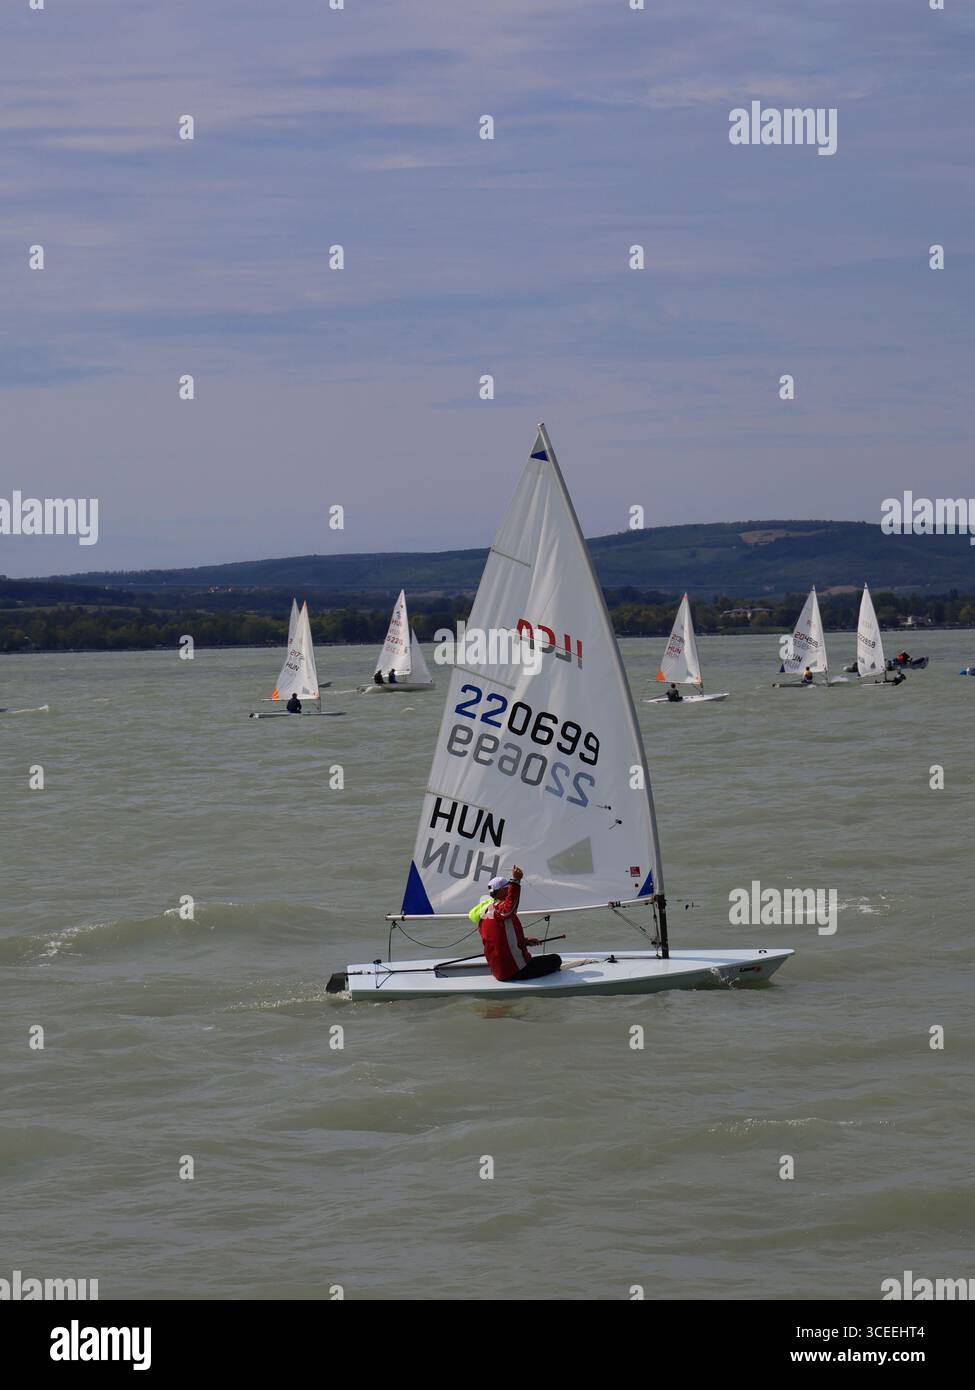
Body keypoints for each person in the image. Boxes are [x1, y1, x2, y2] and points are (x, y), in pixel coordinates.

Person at [476, 867, 562, 982]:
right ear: (501, 891)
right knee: (556, 959)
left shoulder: (486, 913)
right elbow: (509, 908)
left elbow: (500, 939)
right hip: (514, 971)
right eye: (507, 888)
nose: (509, 890)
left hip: (499, 970)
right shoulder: (500, 910)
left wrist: (524, 941)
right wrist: (515, 881)